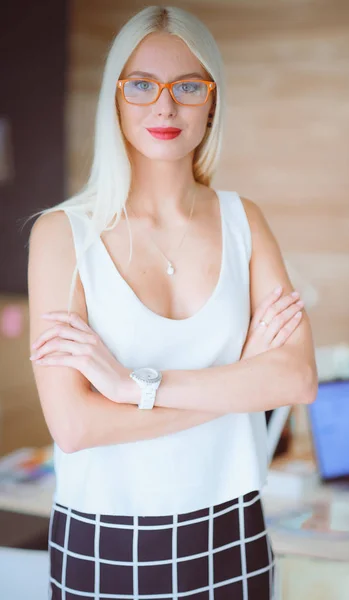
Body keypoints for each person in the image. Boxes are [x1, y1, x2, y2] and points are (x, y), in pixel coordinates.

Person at [27, 5, 317, 599]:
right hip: (104, 534)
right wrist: (238, 383)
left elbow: (295, 378)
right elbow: (76, 426)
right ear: (116, 98)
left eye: (188, 86)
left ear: (212, 101)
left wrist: (137, 388)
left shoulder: (244, 222)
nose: (165, 106)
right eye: (142, 85)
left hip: (234, 524)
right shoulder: (63, 235)